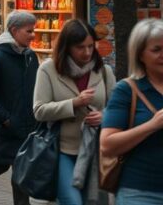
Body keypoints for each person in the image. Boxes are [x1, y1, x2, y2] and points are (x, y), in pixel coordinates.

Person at [32, 19, 115, 205]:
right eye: (80, 47)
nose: (86, 52)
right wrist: (74, 103)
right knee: (72, 201)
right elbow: (39, 110)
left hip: (95, 151)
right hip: (61, 149)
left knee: (92, 202)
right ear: (66, 46)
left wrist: (105, 116)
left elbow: (117, 108)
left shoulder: (104, 71)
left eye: (90, 46)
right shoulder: (48, 69)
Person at [0, 11, 38, 205]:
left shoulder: (30, 56)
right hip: (4, 127)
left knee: (21, 174)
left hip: (28, 126)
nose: (33, 35)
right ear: (14, 30)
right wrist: (5, 119)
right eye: (29, 31)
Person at [101, 18, 163, 204]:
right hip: (140, 193)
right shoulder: (127, 90)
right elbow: (107, 145)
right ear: (140, 55)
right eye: (156, 49)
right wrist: (152, 125)